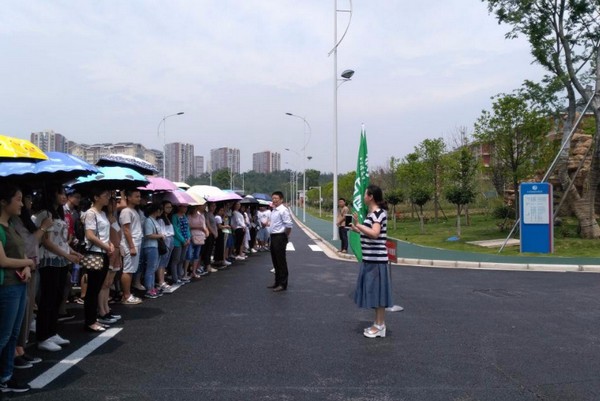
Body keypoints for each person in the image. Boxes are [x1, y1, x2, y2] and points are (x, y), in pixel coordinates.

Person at [35, 184, 82, 351]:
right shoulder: (44, 214)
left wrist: (73, 252)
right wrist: (66, 254)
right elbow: (46, 242)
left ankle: (52, 332)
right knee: (47, 298)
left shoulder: (60, 213)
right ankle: (43, 336)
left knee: (57, 296)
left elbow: (61, 240)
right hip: (49, 261)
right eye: (60, 192)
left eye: (64, 193)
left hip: (61, 260)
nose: (64, 196)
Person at [0, 185, 36, 393]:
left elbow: (20, 255)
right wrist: (28, 264)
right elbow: (3, 261)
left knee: (13, 335)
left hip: (19, 285)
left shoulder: (12, 225)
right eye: (18, 199)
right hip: (7, 287)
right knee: (4, 336)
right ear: (4, 202)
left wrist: (26, 266)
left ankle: (6, 376)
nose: (22, 203)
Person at [12, 189, 51, 369]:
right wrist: (43, 227)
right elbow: (27, 244)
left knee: (26, 312)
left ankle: (20, 348)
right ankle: (15, 352)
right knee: (16, 317)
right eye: (21, 199)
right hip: (19, 270)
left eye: (25, 198)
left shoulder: (23, 219)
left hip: (30, 266)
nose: (24, 203)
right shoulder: (12, 222)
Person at [349, 184, 393, 338]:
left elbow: (375, 233)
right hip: (371, 260)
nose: (363, 197)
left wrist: (359, 225)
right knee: (376, 293)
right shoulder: (372, 214)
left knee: (378, 293)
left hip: (376, 260)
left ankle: (380, 325)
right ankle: (378, 324)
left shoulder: (377, 214)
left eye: (365, 194)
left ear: (371, 196)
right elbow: (370, 233)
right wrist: (357, 228)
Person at [82, 189, 113, 332]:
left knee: (98, 287)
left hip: (104, 253)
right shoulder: (91, 213)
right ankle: (90, 321)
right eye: (105, 195)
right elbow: (90, 235)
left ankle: (94, 319)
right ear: (96, 196)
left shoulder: (102, 214)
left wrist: (110, 244)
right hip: (95, 254)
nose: (108, 198)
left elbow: (105, 233)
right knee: (93, 290)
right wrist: (106, 246)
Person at [119, 189, 143, 305]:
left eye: (139, 196)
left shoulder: (133, 210)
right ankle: (126, 295)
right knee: (128, 270)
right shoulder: (126, 211)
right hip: (130, 243)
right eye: (136, 196)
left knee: (131, 269)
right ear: (128, 197)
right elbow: (126, 230)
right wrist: (132, 246)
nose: (139, 198)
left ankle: (127, 294)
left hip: (136, 242)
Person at [267, 191, 292, 292]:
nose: (274, 200)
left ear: (281, 199)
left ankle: (283, 284)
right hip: (273, 236)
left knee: (281, 261)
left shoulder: (283, 210)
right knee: (275, 261)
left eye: (276, 198)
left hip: (280, 237)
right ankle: (277, 282)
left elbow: (289, 225)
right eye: (273, 198)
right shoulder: (274, 210)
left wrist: (285, 236)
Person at [142, 203, 164, 299]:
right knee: (150, 269)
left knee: (153, 268)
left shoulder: (153, 220)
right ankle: (149, 289)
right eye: (160, 210)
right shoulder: (148, 221)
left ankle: (152, 287)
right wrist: (161, 236)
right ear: (156, 210)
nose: (161, 212)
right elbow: (148, 234)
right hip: (150, 246)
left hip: (154, 246)